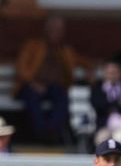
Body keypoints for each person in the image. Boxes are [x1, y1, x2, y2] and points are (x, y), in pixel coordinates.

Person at [14, 15, 92, 144]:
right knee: (32, 98)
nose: (56, 32)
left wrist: (90, 70)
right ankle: (41, 132)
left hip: (54, 88)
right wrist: (33, 83)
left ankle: (50, 130)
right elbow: (21, 68)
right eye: (53, 29)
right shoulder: (33, 45)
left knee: (63, 97)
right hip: (31, 85)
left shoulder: (65, 50)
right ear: (46, 29)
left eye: (59, 30)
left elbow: (85, 62)